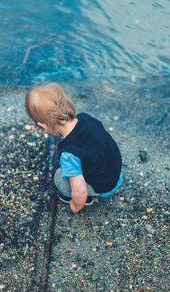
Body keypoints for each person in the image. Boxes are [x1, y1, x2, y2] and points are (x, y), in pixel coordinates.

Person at [25, 82, 123, 213]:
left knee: (59, 177)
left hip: (104, 186)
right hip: (115, 171)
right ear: (68, 102)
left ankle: (89, 199)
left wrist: (76, 205)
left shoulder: (69, 153)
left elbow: (80, 191)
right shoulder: (86, 118)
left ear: (44, 126)